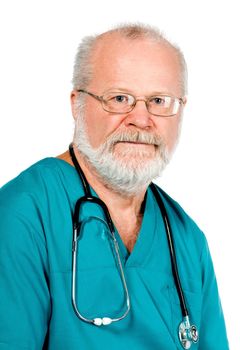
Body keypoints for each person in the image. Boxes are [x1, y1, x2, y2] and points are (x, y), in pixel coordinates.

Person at [0, 23, 229, 350]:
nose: (140, 118)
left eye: (159, 101)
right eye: (119, 98)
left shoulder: (187, 240)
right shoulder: (22, 216)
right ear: (77, 105)